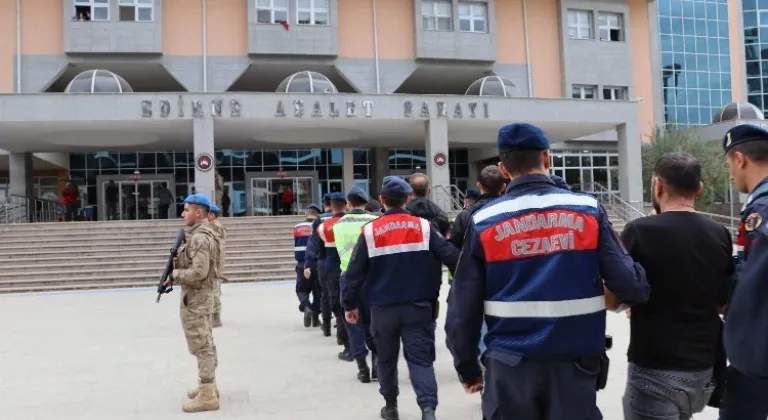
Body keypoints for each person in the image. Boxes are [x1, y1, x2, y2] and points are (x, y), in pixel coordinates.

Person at [445, 123, 650, 420]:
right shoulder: (587, 210)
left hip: (509, 367)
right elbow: (631, 285)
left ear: (504, 169)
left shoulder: (484, 220)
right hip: (575, 364)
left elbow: (462, 306)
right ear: (546, 158)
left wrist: (467, 366)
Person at [617, 152, 732, 420]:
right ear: (699, 189)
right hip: (703, 370)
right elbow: (722, 300)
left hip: (655, 367)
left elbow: (618, 294)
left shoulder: (638, 231)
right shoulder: (720, 233)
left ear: (657, 186)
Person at [343, 176, 460, 420]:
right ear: (408, 198)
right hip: (418, 307)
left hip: (382, 309)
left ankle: (391, 406)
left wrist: (349, 305)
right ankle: (428, 410)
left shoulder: (370, 231)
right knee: (421, 361)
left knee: (385, 359)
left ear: (382, 200)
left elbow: (353, 273)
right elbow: (453, 257)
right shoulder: (425, 227)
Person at [718, 124, 768, 419]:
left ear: (740, 159)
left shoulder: (761, 212)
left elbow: (753, 286)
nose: (730, 174)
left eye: (729, 165)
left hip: (757, 360)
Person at [166, 193, 221, 413]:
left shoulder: (200, 237)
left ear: (198, 212)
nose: (182, 213)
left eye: (186, 209)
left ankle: (208, 394)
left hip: (197, 299)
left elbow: (199, 272)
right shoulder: (202, 234)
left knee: (202, 345)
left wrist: (175, 274)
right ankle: (208, 386)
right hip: (199, 298)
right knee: (205, 342)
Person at [333, 187, 380, 383]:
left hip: (348, 278)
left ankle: (362, 368)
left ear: (349, 204)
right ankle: (377, 364)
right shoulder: (375, 222)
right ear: (366, 204)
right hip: (372, 277)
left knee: (353, 324)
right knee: (374, 323)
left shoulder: (338, 224)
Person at [317, 192, 351, 360]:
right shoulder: (352, 223)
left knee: (337, 304)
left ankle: (343, 339)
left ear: (331, 205)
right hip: (351, 266)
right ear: (346, 205)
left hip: (331, 267)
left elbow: (319, 249)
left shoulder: (323, 226)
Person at [448, 166, 506, 249]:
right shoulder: (515, 210)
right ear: (504, 187)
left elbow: (454, 248)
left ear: (479, 186)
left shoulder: (464, 215)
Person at [304, 194, 333, 336]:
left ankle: (326, 325)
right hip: (343, 262)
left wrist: (308, 264)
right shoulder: (344, 219)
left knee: (324, 294)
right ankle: (342, 329)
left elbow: (313, 244)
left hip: (322, 261)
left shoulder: (319, 221)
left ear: (325, 204)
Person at [294, 204, 322, 328]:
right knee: (318, 291)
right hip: (317, 263)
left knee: (302, 289)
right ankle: (315, 318)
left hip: (301, 264)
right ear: (317, 214)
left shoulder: (297, 227)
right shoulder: (320, 227)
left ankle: (306, 307)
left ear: (306, 214)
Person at [207, 204, 226, 328]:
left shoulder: (214, 227)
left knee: (213, 291)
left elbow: (216, 248)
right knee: (213, 290)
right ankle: (213, 316)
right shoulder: (217, 226)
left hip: (213, 263)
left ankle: (216, 318)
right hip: (214, 262)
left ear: (212, 215)